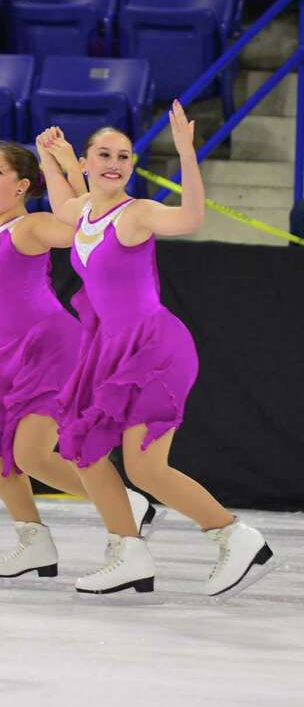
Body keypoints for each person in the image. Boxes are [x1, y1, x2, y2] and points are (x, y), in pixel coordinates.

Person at [40, 104, 273, 597]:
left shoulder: (137, 213)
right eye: (104, 154)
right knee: (84, 453)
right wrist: (49, 158)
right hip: (111, 350)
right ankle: (129, 552)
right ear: (86, 162)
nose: (115, 162)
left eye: (124, 156)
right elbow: (61, 203)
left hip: (154, 348)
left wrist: (187, 152)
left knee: (145, 467)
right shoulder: (83, 212)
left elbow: (190, 218)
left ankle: (235, 536)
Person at [0, 102, 153, 580]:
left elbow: (87, 227)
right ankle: (33, 540)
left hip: (51, 346)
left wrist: (75, 167)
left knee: (30, 453)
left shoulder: (32, 226)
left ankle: (121, 502)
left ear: (22, 186)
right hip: (3, 348)